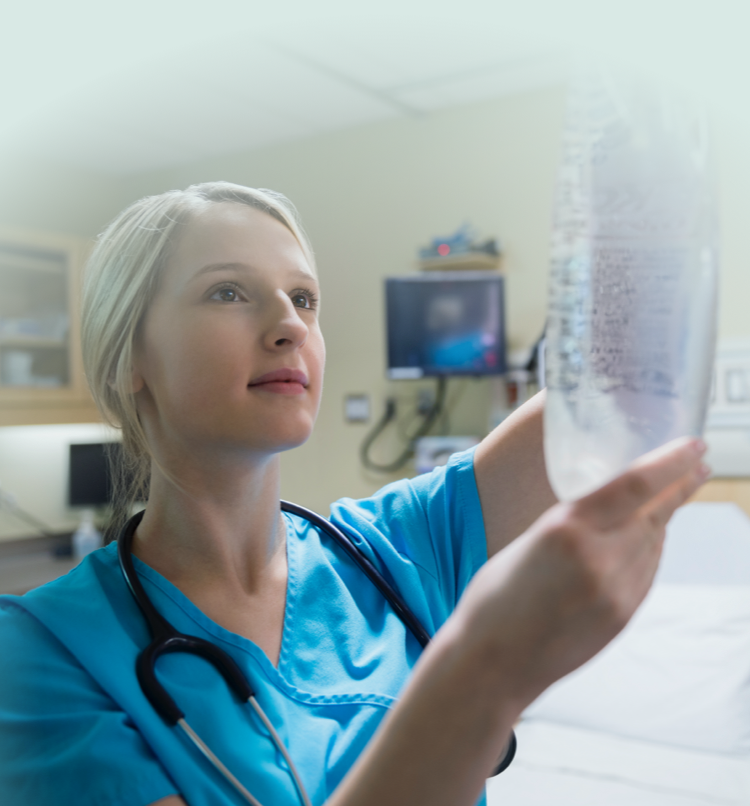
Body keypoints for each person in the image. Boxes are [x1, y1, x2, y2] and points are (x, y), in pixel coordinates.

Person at [0, 182, 708, 806]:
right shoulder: (41, 652)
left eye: (303, 298)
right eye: (228, 292)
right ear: (130, 359)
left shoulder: (398, 548)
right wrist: (483, 678)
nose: (289, 326)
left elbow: (623, 381)